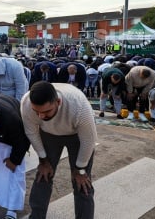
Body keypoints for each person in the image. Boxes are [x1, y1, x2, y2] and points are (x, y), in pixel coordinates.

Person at [20, 82, 97, 219]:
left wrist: (80, 169)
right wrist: (43, 160)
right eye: (36, 111)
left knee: (82, 182)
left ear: (58, 101)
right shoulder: (27, 103)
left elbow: (88, 141)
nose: (41, 117)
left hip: (77, 137)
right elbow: (31, 132)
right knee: (43, 175)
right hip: (49, 135)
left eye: (46, 111)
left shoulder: (79, 106)